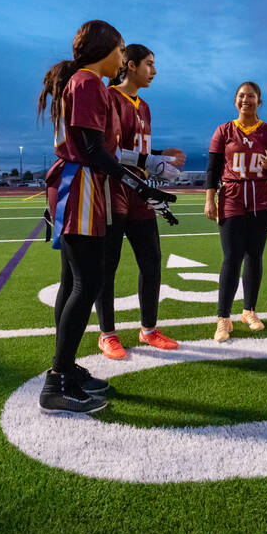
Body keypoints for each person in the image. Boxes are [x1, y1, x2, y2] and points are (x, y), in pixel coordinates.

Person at [38, 22, 174, 411]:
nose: (121, 58)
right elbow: (94, 150)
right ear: (105, 50)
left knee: (73, 281)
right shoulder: (89, 83)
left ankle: (64, 367)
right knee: (87, 281)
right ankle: (57, 380)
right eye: (119, 50)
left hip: (78, 182)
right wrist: (139, 184)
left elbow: (93, 147)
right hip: (80, 185)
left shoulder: (82, 82)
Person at [95, 44, 186, 359]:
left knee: (151, 261)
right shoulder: (109, 98)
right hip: (114, 188)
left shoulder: (144, 106)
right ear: (130, 65)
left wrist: (160, 159)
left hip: (140, 191)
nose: (154, 70)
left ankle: (148, 329)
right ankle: (107, 334)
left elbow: (137, 151)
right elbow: (110, 151)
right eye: (149, 64)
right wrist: (155, 161)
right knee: (108, 265)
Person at [205, 81, 267, 341]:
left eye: (251, 96)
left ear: (259, 101)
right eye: (241, 96)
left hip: (263, 201)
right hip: (232, 199)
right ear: (235, 101)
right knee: (231, 257)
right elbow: (213, 169)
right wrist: (209, 199)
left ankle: (249, 310)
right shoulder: (223, 130)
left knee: (255, 255)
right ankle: (223, 318)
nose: (245, 100)